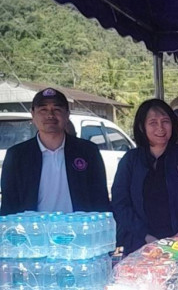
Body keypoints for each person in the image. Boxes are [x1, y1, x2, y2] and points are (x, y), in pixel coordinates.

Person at [0, 87, 109, 215]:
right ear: (33, 115)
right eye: (43, 110)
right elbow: (9, 205)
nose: (50, 115)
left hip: (79, 226)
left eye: (57, 109)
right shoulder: (17, 155)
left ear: (67, 115)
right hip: (33, 227)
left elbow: (100, 199)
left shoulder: (88, 151)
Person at [111, 98, 178, 255]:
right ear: (141, 127)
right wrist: (146, 236)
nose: (160, 128)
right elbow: (120, 204)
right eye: (153, 123)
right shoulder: (130, 160)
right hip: (139, 243)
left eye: (165, 121)